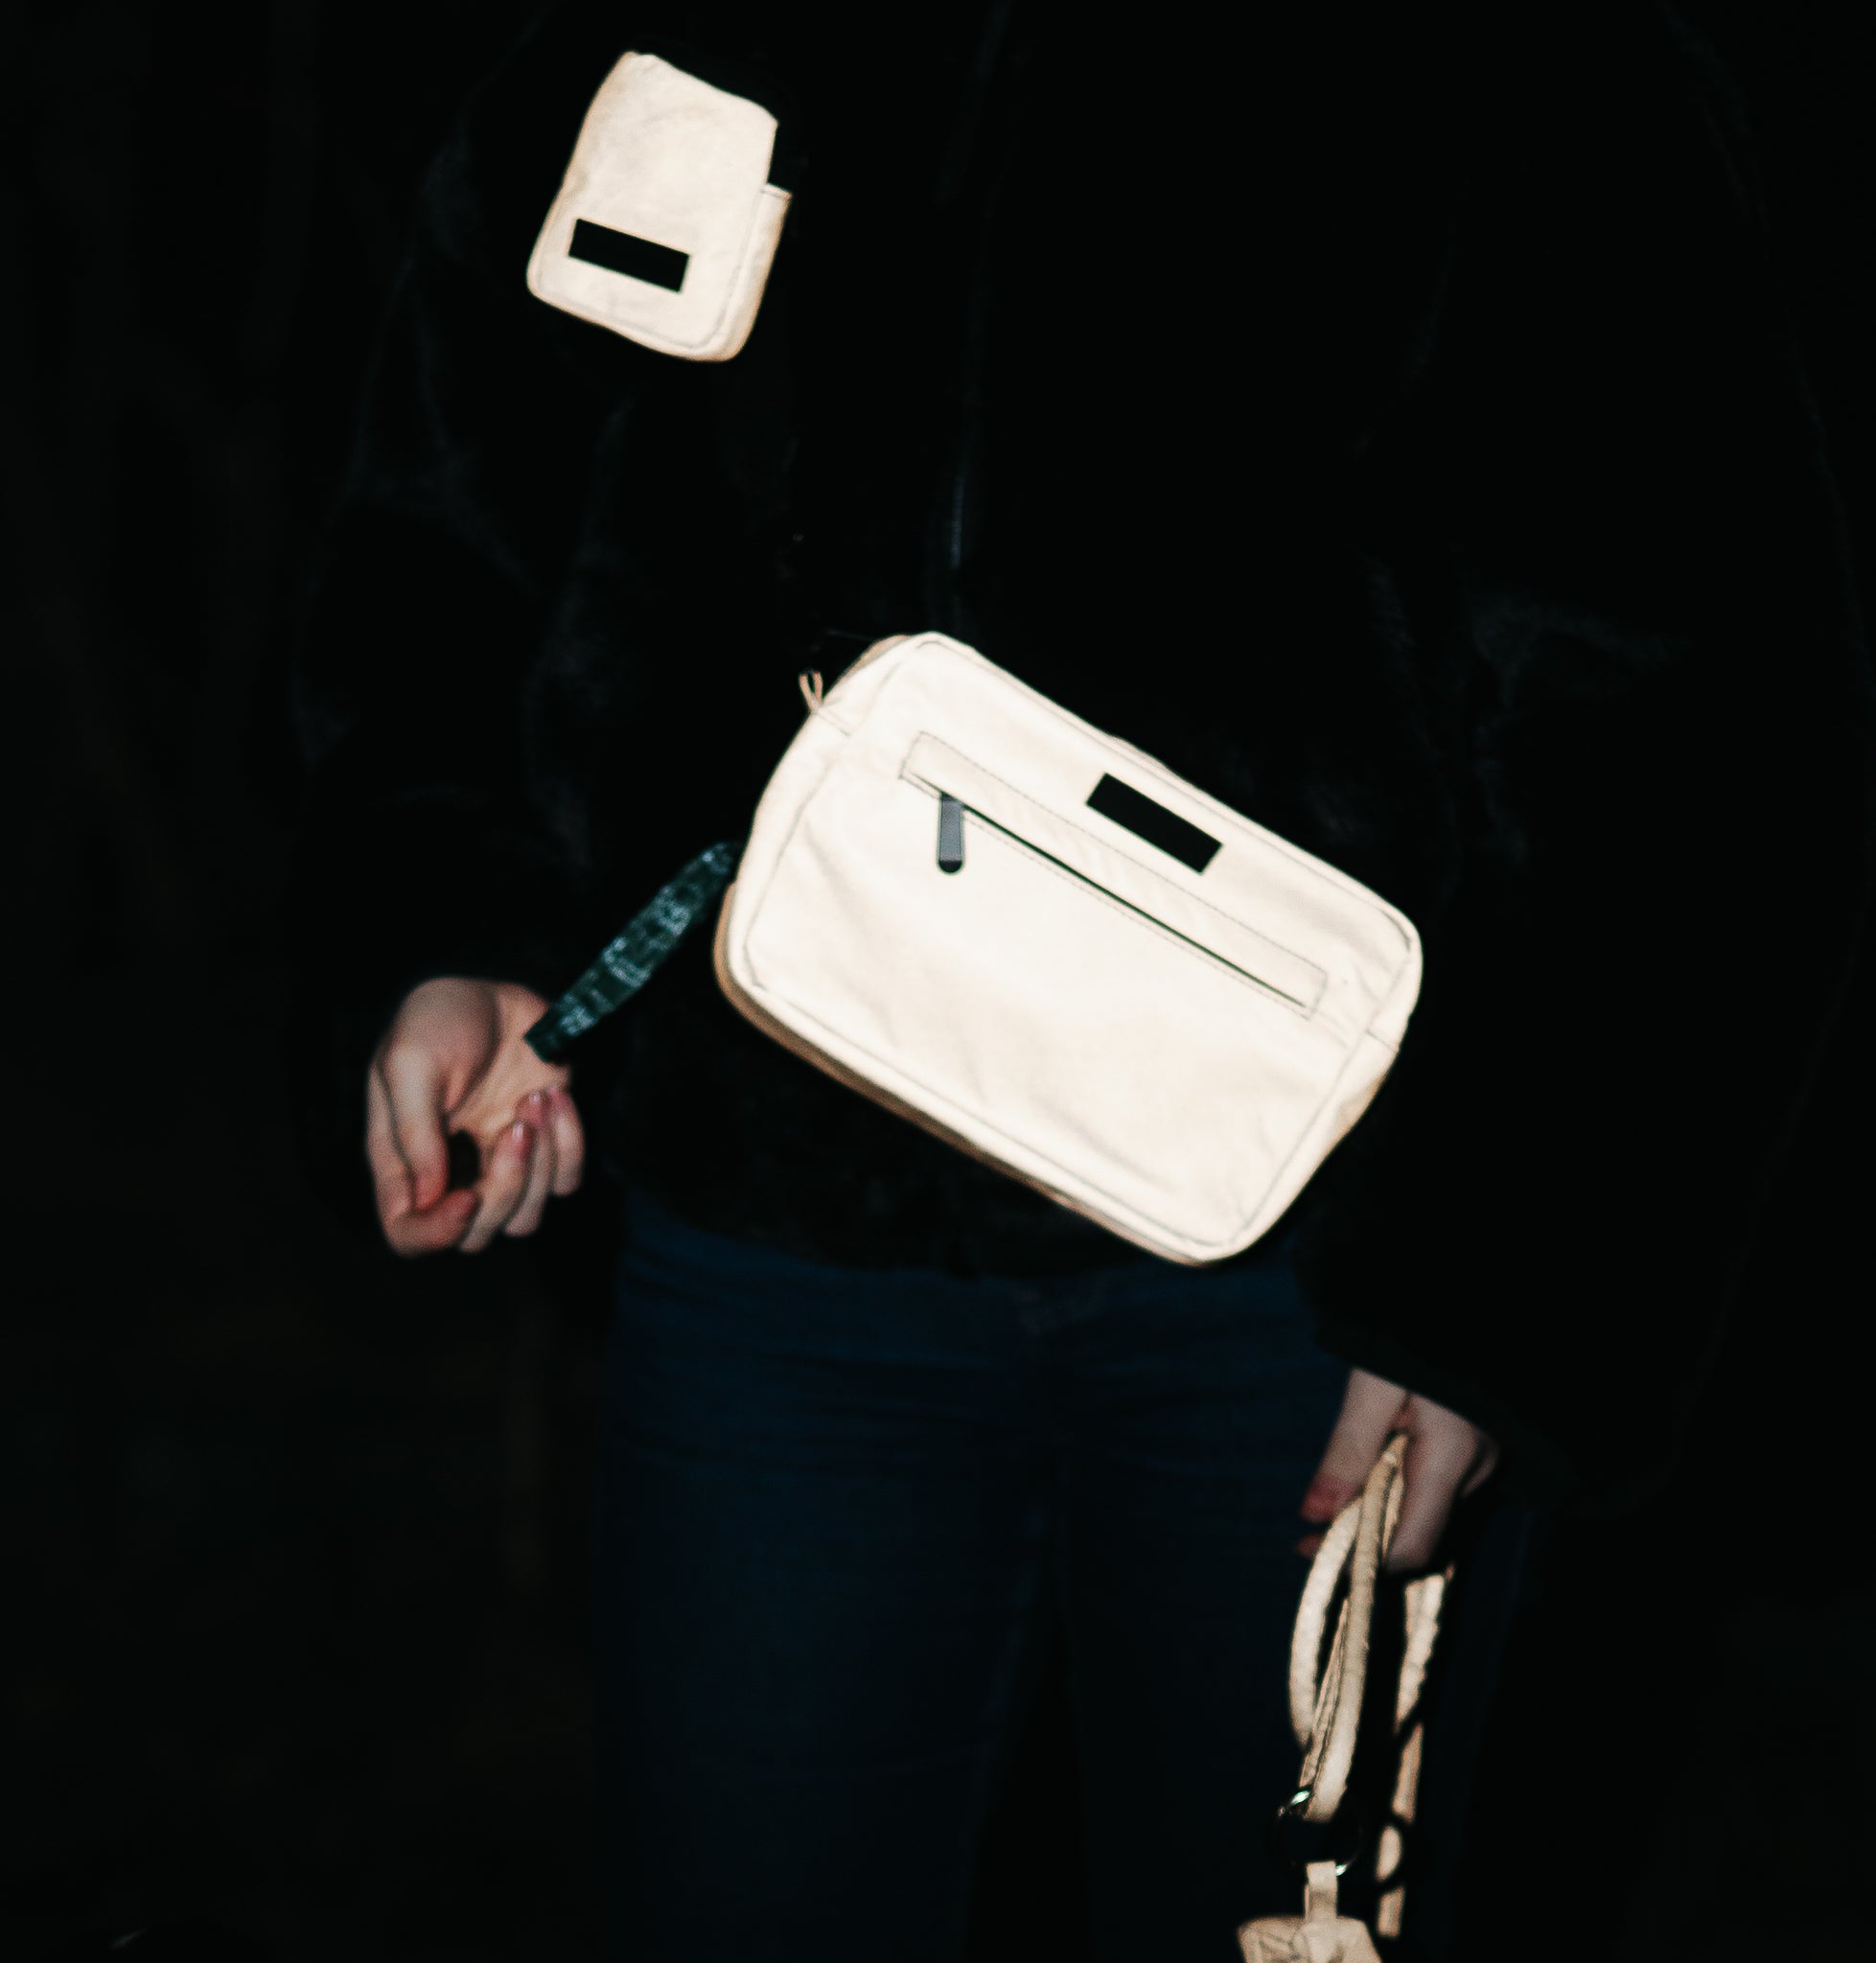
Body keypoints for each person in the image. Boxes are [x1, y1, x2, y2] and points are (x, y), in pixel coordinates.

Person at [280, 2, 1876, 1954]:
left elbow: (1698, 723)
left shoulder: (1517, 68)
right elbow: (459, 498)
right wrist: (454, 920)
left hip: (1308, 1277)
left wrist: (1499, 1281)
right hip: (773, 1239)